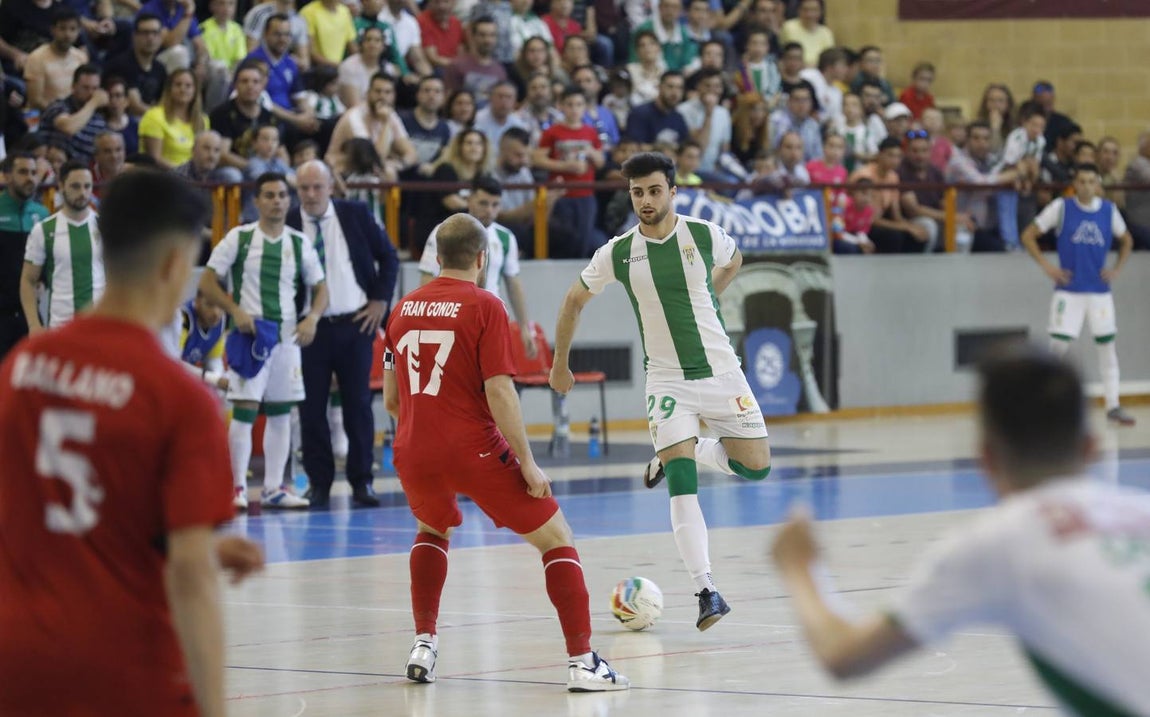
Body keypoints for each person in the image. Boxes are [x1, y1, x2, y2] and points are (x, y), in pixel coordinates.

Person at [0, 168, 265, 717]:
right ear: (173, 264)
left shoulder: (24, 366)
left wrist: (191, 544)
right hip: (122, 672)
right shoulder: (179, 399)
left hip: (18, 666)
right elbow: (189, 577)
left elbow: (51, 508)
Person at [771, 348, 1150, 717]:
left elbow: (842, 655)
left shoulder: (1000, 542)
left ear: (985, 458)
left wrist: (799, 567)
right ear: (1092, 447)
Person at [383, 213, 629, 692]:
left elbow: (392, 401)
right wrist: (527, 461)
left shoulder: (402, 309)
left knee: (431, 530)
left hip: (413, 447)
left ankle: (424, 645)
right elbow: (500, 391)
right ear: (483, 257)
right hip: (472, 446)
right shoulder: (486, 305)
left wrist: (424, 434)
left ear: (435, 257)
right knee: (557, 537)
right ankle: (583, 662)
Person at [550, 151, 772, 631]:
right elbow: (573, 300)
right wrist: (559, 363)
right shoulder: (618, 252)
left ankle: (688, 453)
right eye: (637, 193)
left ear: (673, 191)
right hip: (666, 380)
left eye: (654, 190)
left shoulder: (702, 234)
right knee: (682, 484)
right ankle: (706, 590)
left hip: (721, 373)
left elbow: (734, 260)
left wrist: (711, 294)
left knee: (757, 469)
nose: (646, 200)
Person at [200, 172, 330, 510]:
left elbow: (321, 288)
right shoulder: (238, 238)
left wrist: (312, 318)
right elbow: (207, 281)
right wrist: (234, 310)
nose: (277, 201)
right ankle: (235, 487)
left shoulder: (298, 242)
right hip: (249, 336)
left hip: (286, 338)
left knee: (281, 412)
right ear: (256, 201)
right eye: (269, 195)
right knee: (244, 409)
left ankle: (274, 487)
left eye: (282, 195)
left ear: (290, 200)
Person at [289, 160, 398, 510]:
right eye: (303, 188)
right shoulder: (290, 222)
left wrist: (380, 300)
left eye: (317, 187)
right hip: (309, 328)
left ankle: (362, 481)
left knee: (358, 407)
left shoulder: (354, 214)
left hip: (355, 324)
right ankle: (319, 484)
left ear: (330, 187)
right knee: (311, 409)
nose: (310, 194)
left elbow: (389, 257)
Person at [1020, 164, 1135, 427]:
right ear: (1075, 183)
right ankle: (1042, 406)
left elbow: (1127, 239)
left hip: (1099, 292)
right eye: (1081, 181)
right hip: (1069, 291)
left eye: (1091, 181)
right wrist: (1048, 267)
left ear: (1098, 184)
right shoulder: (1061, 208)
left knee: (1107, 347)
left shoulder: (1109, 210)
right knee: (1058, 349)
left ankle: (1113, 405)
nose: (1086, 186)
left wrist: (1116, 268)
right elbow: (1028, 235)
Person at [418, 174, 535, 357]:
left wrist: (525, 328)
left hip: (491, 321)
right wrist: (430, 324)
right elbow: (427, 280)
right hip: (452, 320)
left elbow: (514, 285)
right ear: (469, 199)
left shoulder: (506, 238)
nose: (489, 210)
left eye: (495, 205)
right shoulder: (444, 232)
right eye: (483, 203)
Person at [20, 160, 104, 333]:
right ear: (61, 186)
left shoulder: (105, 226)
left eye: (87, 186)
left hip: (100, 327)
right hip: (60, 328)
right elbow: (28, 280)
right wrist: (34, 325)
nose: (83, 192)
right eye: (75, 186)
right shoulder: (43, 230)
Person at [0, 153, 50, 358]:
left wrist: (43, 281)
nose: (30, 178)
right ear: (6, 176)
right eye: (22, 172)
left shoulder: (42, 214)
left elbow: (47, 260)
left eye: (33, 172)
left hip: (29, 315)